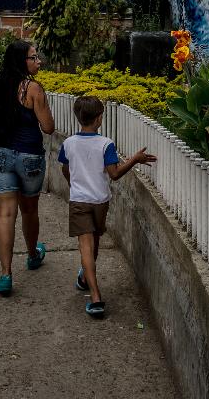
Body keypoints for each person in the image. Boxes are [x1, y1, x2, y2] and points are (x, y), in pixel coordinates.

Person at [58, 96, 155, 318]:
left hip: (79, 201)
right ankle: (96, 295)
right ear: (99, 118)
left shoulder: (69, 143)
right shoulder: (106, 144)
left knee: (87, 247)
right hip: (100, 201)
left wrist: (74, 183)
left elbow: (65, 167)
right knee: (93, 244)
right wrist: (135, 159)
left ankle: (87, 282)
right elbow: (115, 174)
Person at [0, 39, 55, 296]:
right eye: (34, 57)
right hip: (30, 157)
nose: (39, 61)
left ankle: (5, 275)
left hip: (0, 155)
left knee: (5, 215)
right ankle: (32, 255)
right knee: (29, 210)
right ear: (22, 61)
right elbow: (48, 128)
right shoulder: (33, 89)